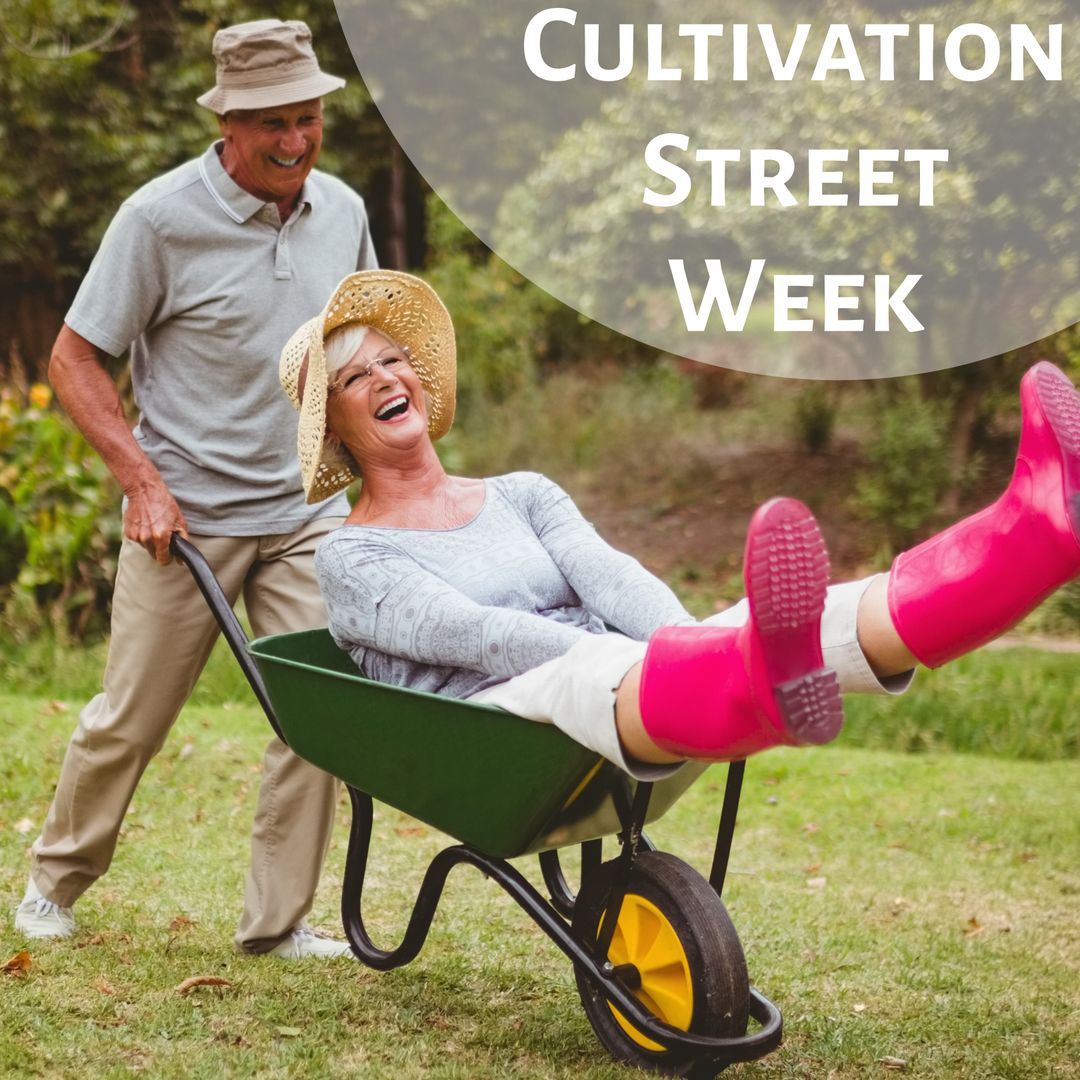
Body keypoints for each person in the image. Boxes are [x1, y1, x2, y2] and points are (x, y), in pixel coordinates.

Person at [277, 270, 1080, 774]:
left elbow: (609, 574)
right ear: (337, 428)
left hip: (624, 682)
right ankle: (736, 674)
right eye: (355, 377)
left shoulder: (522, 491)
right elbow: (481, 637)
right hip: (495, 726)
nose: (387, 377)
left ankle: (1034, 536)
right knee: (601, 668)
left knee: (830, 610)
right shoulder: (354, 556)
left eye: (394, 359)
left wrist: (692, 638)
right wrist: (658, 657)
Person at [15, 20, 377, 958]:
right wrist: (141, 481)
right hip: (186, 518)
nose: (295, 141)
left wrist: (378, 475)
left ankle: (277, 923)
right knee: (129, 717)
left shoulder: (340, 210)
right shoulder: (159, 218)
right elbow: (74, 354)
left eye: (309, 119)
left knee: (317, 715)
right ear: (229, 124)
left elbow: (363, 347)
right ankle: (53, 883)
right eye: (274, 126)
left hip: (305, 510)